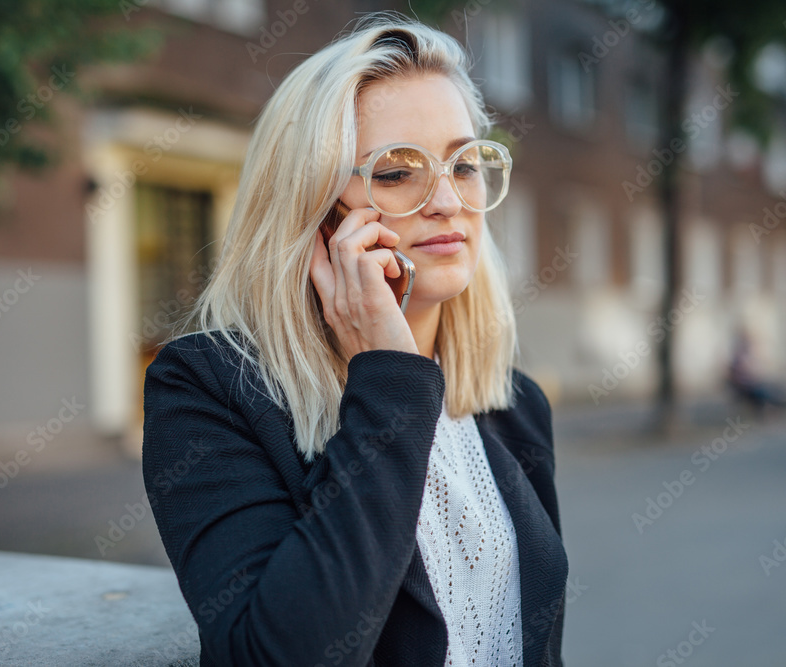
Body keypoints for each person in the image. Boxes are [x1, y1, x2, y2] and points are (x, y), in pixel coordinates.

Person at [141, 15, 568, 667]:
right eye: (398, 172)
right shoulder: (208, 390)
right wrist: (389, 375)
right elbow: (277, 654)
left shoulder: (513, 403)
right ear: (315, 214)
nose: (448, 199)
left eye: (464, 163)